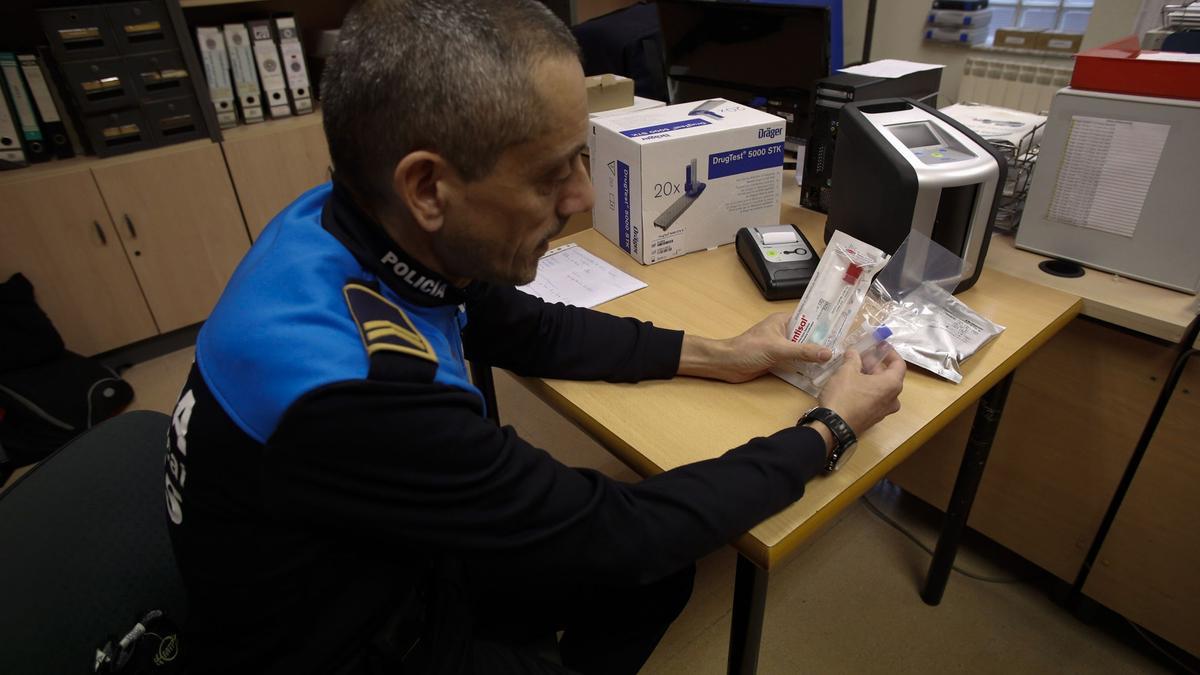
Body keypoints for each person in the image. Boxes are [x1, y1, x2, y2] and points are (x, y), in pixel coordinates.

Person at [162, 1, 906, 673]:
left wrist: (723, 353)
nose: (582, 195)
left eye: (580, 157)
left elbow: (531, 328)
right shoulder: (362, 391)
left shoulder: (348, 219)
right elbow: (622, 531)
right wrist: (829, 428)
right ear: (427, 188)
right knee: (642, 556)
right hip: (340, 638)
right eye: (553, 173)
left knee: (655, 574)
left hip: (376, 548)